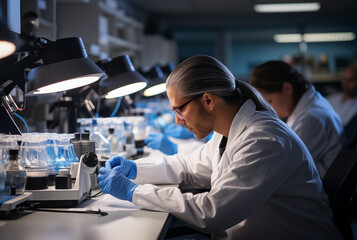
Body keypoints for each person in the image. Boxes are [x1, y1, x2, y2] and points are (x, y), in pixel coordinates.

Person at [97, 55, 341, 239]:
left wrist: (133, 192)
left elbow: (212, 213)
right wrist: (134, 170)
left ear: (208, 100)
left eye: (179, 109)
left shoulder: (263, 140)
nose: (177, 120)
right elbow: (190, 166)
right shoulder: (227, 132)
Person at [250, 60, 343, 178]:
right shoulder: (308, 107)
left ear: (287, 88)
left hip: (319, 190)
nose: (268, 108)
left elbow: (285, 165)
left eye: (269, 101)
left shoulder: (311, 118)